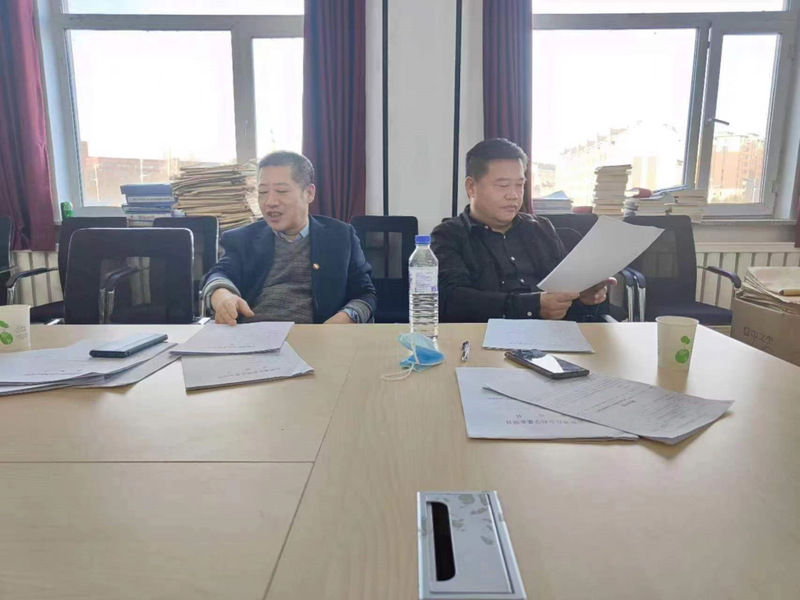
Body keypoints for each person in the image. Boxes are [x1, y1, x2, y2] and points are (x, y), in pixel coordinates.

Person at [431, 138, 612, 323]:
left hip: (553, 333)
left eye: (520, 185)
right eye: (502, 185)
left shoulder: (540, 228)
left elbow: (565, 290)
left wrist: (584, 297)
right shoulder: (448, 236)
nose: (513, 195)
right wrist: (533, 306)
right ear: (471, 187)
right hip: (484, 335)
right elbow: (451, 300)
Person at [203, 151, 376, 325]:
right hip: (252, 334)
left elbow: (365, 294)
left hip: (316, 336)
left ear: (309, 193)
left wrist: (344, 319)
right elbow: (219, 274)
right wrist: (223, 297)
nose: (270, 201)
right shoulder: (243, 238)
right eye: (263, 192)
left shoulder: (340, 236)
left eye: (282, 191)